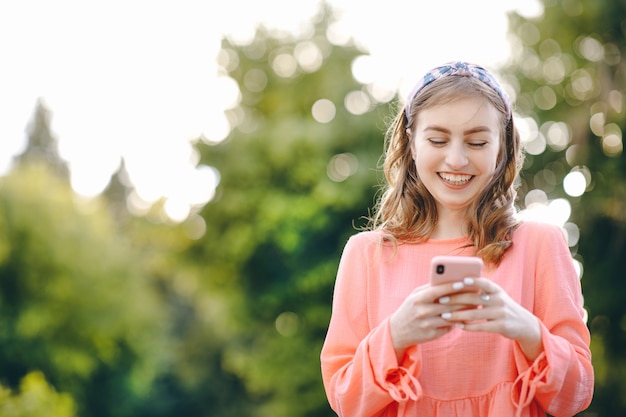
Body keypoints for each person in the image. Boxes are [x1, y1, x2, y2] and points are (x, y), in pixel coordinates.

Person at [320, 61, 594, 417]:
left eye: (478, 141)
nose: (457, 159)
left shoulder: (541, 244)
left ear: (502, 149)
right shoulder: (367, 255)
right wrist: (395, 335)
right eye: (437, 139)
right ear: (412, 144)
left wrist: (528, 330)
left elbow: (574, 396)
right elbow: (345, 400)